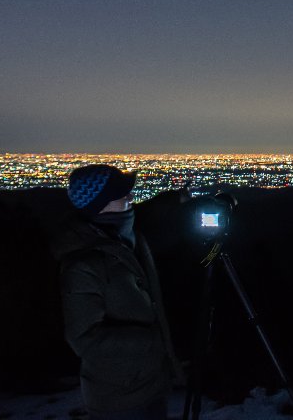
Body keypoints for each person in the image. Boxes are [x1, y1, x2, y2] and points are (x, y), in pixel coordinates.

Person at [52, 164, 181, 420]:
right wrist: (153, 341)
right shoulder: (82, 265)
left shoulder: (122, 236)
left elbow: (150, 213)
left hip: (151, 383)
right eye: (121, 194)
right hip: (119, 398)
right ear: (100, 205)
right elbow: (84, 338)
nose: (130, 198)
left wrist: (180, 198)